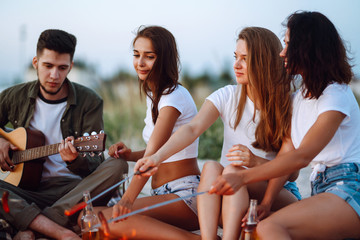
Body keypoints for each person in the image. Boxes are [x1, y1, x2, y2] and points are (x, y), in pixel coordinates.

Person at [134, 27, 301, 240]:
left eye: (244, 59)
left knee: (232, 171)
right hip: (232, 199)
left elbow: (293, 172)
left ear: (263, 61)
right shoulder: (228, 95)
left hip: (278, 194)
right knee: (212, 167)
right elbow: (192, 129)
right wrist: (156, 157)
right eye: (235, 57)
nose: (236, 65)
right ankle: (209, 238)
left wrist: (254, 162)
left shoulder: (288, 104)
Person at [209, 11, 360, 240]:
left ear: (308, 49)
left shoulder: (335, 94)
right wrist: (267, 202)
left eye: (289, 44)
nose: (282, 52)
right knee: (263, 226)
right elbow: (286, 152)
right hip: (321, 188)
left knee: (268, 229)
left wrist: (243, 177)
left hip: (349, 186)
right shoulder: (299, 98)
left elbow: (302, 157)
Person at [0, 29, 128, 240]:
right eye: (47, 66)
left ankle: (33, 225)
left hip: (71, 190)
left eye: (62, 68)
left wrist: (75, 160)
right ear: (35, 62)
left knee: (119, 165)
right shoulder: (14, 96)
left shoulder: (90, 102)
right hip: (24, 190)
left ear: (71, 66)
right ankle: (58, 230)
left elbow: (95, 163)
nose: (54, 75)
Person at [92, 26, 201, 239]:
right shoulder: (155, 95)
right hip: (161, 194)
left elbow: (152, 157)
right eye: (136, 55)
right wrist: (130, 155)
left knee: (102, 221)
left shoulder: (173, 97)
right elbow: (160, 150)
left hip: (185, 196)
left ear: (164, 59)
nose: (140, 63)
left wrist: (128, 198)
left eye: (149, 56)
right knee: (88, 216)